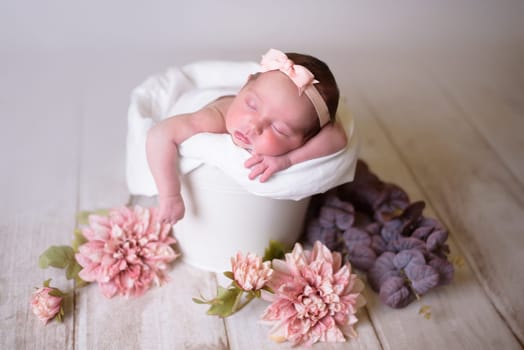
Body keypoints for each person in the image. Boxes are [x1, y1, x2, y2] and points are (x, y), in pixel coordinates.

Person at [146, 48, 347, 224]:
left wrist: (288, 160)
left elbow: (338, 136)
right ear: (244, 86)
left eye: (279, 129)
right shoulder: (212, 120)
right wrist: (170, 195)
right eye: (251, 105)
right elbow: (160, 134)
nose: (254, 125)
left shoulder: (306, 133)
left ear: (305, 139)